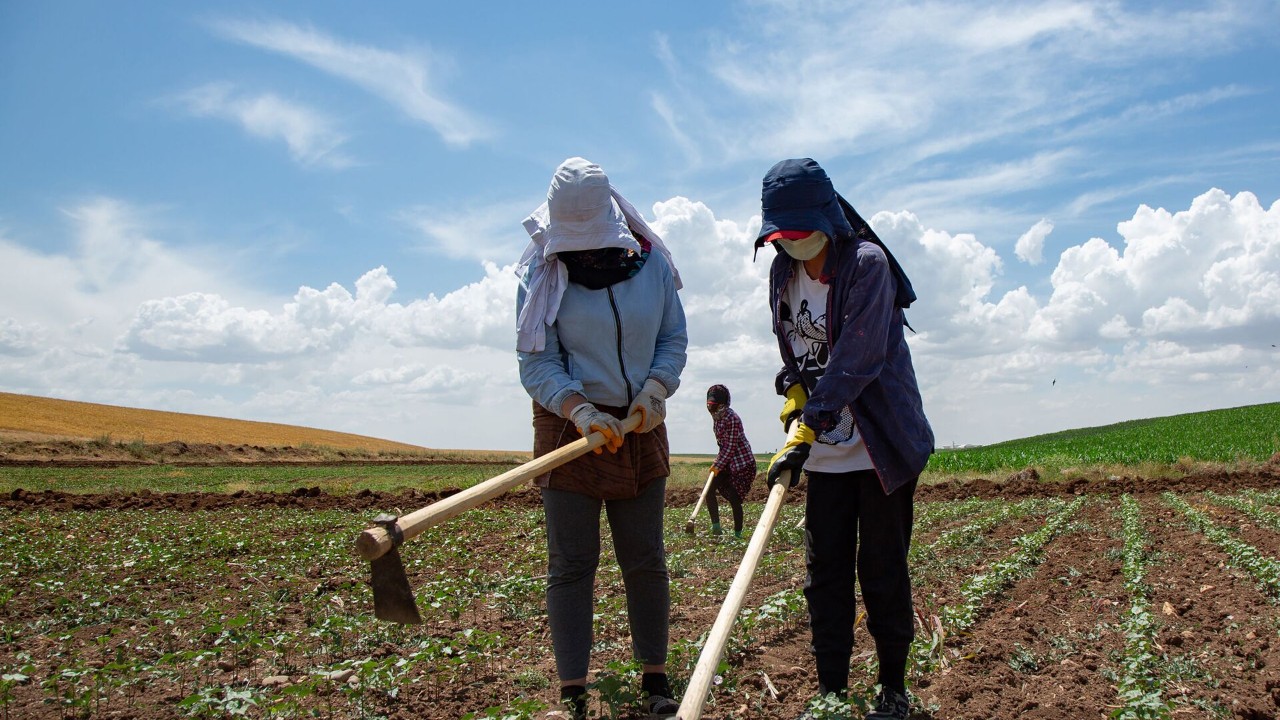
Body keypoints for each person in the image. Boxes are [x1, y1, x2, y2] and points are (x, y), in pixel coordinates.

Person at [754, 158, 934, 720]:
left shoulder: (867, 265)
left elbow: (858, 357)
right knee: (824, 577)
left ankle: (892, 690)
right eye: (781, 236)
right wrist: (793, 394)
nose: (791, 243)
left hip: (880, 447)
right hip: (827, 457)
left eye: (799, 232)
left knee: (882, 571)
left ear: (826, 219)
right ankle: (831, 693)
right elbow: (796, 349)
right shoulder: (782, 271)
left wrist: (812, 421)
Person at [515, 157, 688, 720]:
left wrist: (654, 393)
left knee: (644, 559)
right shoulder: (541, 275)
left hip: (641, 424)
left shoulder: (652, 263)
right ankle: (573, 695)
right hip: (570, 426)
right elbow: (536, 363)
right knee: (571, 563)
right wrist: (581, 409)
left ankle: (655, 681)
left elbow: (672, 337)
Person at [704, 384, 757, 538]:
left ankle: (738, 534)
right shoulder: (716, 418)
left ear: (724, 405)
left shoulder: (732, 419)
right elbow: (722, 446)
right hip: (726, 462)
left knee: (734, 498)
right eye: (710, 407)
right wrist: (718, 463)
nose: (712, 410)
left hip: (742, 464)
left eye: (715, 407)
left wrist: (717, 465)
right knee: (708, 490)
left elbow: (730, 447)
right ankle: (716, 529)